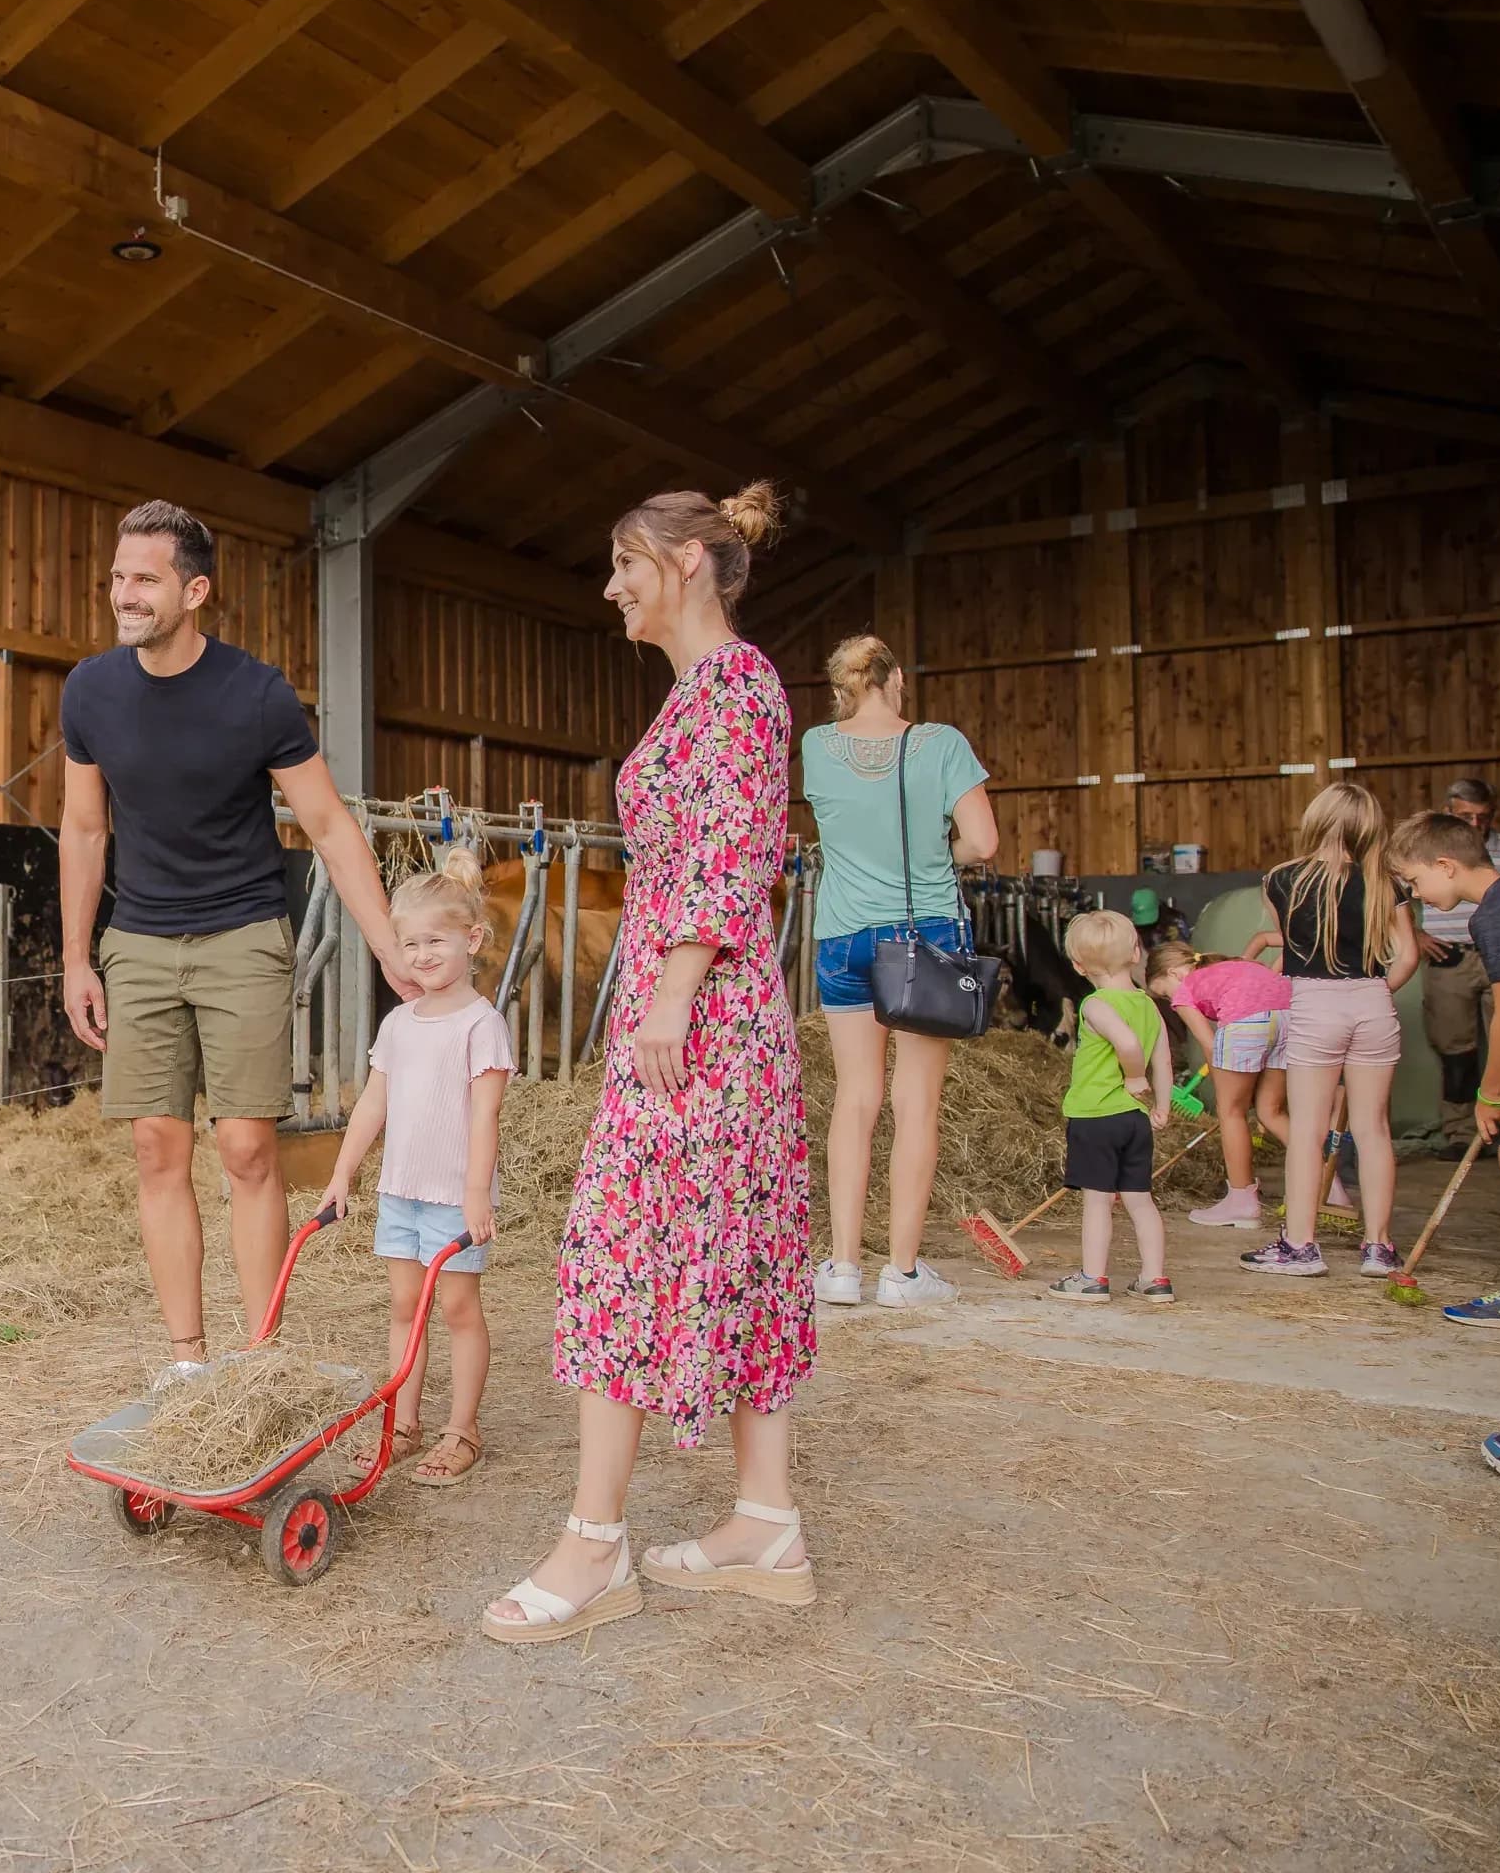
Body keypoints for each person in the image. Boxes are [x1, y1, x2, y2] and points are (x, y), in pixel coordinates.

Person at [483, 481, 814, 1646]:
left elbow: (732, 851)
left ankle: (594, 1544)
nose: (611, 584)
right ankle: (765, 1520)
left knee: (617, 1247)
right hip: (700, 1012)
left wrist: (671, 994)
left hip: (702, 1016)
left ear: (684, 562)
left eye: (626, 561)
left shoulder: (737, 683)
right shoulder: (701, 691)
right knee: (739, 1245)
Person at [59, 499, 417, 1385]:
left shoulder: (256, 694)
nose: (124, 594)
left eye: (145, 579)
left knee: (249, 1150)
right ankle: (188, 1362)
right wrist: (75, 958)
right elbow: (84, 829)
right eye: (117, 577)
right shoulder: (90, 691)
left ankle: (260, 1360)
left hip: (243, 935)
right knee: (156, 1146)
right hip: (139, 941)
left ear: (195, 591)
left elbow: (328, 825)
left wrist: (385, 945)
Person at [796, 635, 999, 1310]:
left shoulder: (817, 747)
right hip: (924, 937)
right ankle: (902, 1275)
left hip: (843, 937)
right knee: (916, 1103)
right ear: (898, 678)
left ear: (843, 686)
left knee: (856, 1098)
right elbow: (984, 842)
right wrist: (941, 853)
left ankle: (842, 1268)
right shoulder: (942, 744)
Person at [314, 845, 513, 1486]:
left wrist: (477, 1193)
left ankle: (463, 1430)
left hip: (454, 1195)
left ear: (471, 940)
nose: (422, 955)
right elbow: (374, 1103)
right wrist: (342, 1173)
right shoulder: (399, 1023)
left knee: (457, 1308)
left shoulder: (481, 1026)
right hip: (400, 1190)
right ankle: (402, 1423)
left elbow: (485, 1115)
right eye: (410, 945)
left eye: (436, 941)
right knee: (405, 1306)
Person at [1240, 783, 1419, 1279]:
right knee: (1373, 1128)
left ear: (1316, 820)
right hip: (1373, 1003)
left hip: (1314, 1004)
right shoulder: (1386, 881)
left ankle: (1300, 1246)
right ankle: (1378, 1247)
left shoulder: (1281, 879)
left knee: (1308, 1130)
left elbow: (1291, 942)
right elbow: (1407, 955)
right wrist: (1377, 990)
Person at [1386, 810, 1500, 1331]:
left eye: (1415, 880)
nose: (1415, 894)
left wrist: (1492, 1093)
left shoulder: (1492, 915)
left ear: (1445, 865)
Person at [1415, 779, 1500, 1152]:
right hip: (1451, 958)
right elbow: (1392, 899)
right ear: (1448, 812)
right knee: (1456, 1054)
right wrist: (1415, 935)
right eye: (1466, 816)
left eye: (1483, 816)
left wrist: (1491, 1097)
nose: (1476, 824)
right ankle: (1464, 1134)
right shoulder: (1428, 850)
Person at [1047, 910, 1176, 1305]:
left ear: (1078, 965)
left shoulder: (1095, 1005)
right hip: (1135, 1120)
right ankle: (1154, 1279)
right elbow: (1164, 1060)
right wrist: (1162, 1105)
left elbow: (1129, 1045)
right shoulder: (1148, 1005)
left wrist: (1133, 1076)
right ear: (1136, 954)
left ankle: (1092, 1278)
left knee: (1098, 1200)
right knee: (1140, 1199)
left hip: (1096, 1117)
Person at [1146, 940, 1294, 1227]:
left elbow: (1208, 1043)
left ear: (1174, 972)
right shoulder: (1236, 964)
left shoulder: (1185, 989)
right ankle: (1328, 1186)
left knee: (1231, 1112)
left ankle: (1242, 1202)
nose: (1170, 999)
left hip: (1246, 1023)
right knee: (1272, 1111)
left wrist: (1222, 1083)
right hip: (1288, 1017)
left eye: (1164, 992)